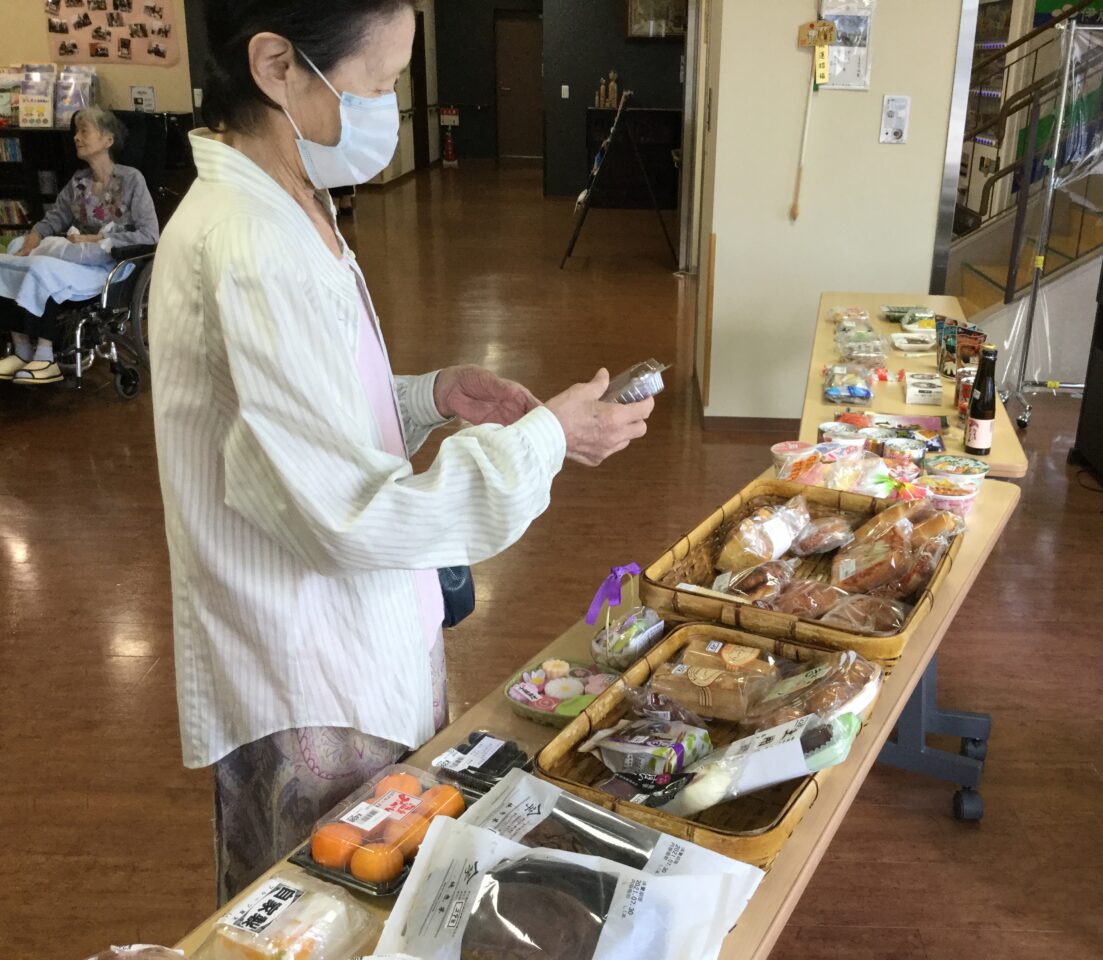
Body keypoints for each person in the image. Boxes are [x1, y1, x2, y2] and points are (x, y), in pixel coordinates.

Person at [147, 0, 654, 904]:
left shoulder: (289, 201)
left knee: (380, 886)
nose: (387, 106)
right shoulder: (249, 244)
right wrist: (548, 438)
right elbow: (348, 513)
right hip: (309, 668)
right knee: (331, 908)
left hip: (350, 633)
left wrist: (426, 397)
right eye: (378, 82)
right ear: (276, 65)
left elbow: (307, 415)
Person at [0, 107, 159, 384]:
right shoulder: (78, 181)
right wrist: (34, 236)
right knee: (12, 251)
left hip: (109, 264)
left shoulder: (132, 179)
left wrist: (99, 240)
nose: (76, 137)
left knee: (42, 268)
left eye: (84, 131)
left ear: (108, 140)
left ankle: (46, 356)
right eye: (76, 131)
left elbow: (150, 235)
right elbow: (54, 219)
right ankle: (22, 349)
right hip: (78, 256)